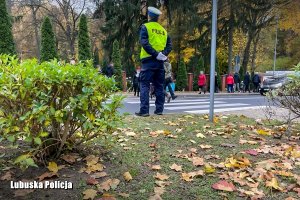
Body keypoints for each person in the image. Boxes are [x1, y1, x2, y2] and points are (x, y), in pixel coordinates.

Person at [135, 6, 172, 117]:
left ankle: (144, 111)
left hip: (148, 60)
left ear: (149, 16)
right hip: (160, 62)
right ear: (157, 18)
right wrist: (162, 54)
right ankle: (159, 110)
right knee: (159, 85)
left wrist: (155, 54)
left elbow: (144, 43)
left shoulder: (145, 27)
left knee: (144, 84)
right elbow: (170, 46)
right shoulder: (163, 31)